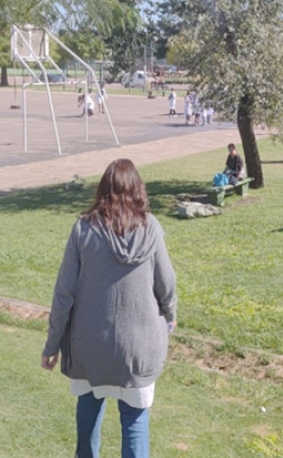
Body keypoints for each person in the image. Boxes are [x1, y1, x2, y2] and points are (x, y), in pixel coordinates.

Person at [42, 159, 177, 458]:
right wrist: (170, 314)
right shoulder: (151, 227)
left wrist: (52, 344)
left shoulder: (84, 229)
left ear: (102, 189)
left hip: (91, 343)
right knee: (134, 419)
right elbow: (166, 284)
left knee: (89, 406)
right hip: (138, 348)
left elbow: (64, 293)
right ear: (138, 189)